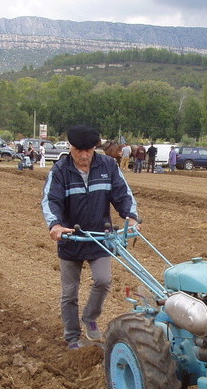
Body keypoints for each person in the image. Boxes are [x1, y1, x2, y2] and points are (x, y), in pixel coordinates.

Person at [41, 124, 140, 350]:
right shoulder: (60, 171)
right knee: (69, 292)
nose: (84, 155)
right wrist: (55, 225)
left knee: (103, 280)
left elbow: (122, 193)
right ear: (70, 148)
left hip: (99, 236)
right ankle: (73, 337)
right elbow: (51, 200)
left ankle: (90, 317)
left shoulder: (108, 165)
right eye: (79, 150)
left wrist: (131, 217)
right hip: (70, 238)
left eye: (89, 150)